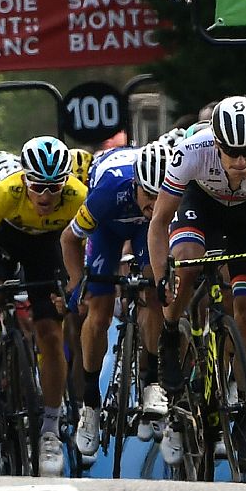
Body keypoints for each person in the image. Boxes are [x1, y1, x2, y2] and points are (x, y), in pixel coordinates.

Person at [149, 96, 246, 466]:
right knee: (187, 263)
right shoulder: (192, 152)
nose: (240, 162)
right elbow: (159, 222)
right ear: (216, 143)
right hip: (199, 205)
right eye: (231, 153)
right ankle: (171, 333)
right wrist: (161, 279)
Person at [0, 136, 87, 477]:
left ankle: (50, 431)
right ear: (24, 178)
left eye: (54, 187)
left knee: (51, 335)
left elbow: (85, 249)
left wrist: (73, 292)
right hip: (6, 241)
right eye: (38, 186)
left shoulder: (78, 196)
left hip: (50, 248)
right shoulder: (6, 192)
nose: (46, 196)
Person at [61, 142, 171, 455]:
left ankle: (152, 383)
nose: (154, 203)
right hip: (107, 229)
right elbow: (69, 239)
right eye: (148, 195)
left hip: (148, 230)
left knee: (155, 291)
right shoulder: (109, 191)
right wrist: (77, 283)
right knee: (98, 312)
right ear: (135, 185)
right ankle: (90, 404)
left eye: (160, 196)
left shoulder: (169, 196)